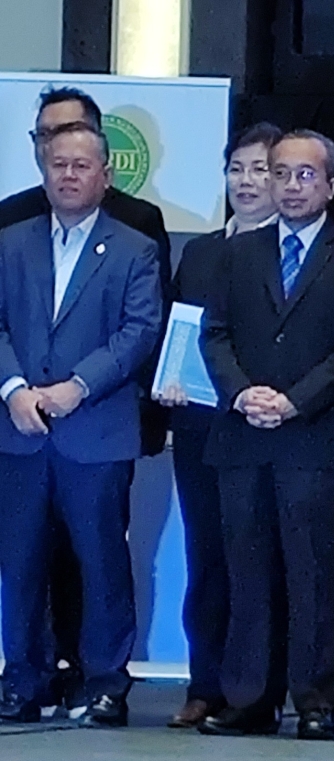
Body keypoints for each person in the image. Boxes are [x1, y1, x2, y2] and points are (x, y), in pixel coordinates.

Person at [198, 129, 334, 740]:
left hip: (318, 435)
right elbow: (214, 333)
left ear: (331, 184)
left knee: (315, 574)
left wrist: (294, 400)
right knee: (247, 572)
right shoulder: (236, 253)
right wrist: (242, 393)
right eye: (281, 174)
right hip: (244, 434)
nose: (291, 185)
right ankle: (249, 699)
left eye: (306, 175)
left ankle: (315, 700)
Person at [0, 86, 172, 716]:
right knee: (18, 566)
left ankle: (105, 683)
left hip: (96, 429)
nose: (68, 176)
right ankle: (24, 679)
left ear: (105, 174)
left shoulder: (135, 247)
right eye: (57, 165)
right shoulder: (9, 241)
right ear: (43, 171)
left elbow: (139, 331)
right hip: (18, 431)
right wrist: (14, 388)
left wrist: (77, 387)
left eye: (81, 166)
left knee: (102, 564)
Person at [156, 121, 283, 729]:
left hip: (266, 426)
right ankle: (204, 682)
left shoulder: (293, 249)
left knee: (254, 560)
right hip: (202, 423)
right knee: (204, 556)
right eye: (238, 169)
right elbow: (184, 331)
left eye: (262, 168)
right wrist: (170, 379)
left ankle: (253, 688)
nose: (248, 181)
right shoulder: (202, 250)